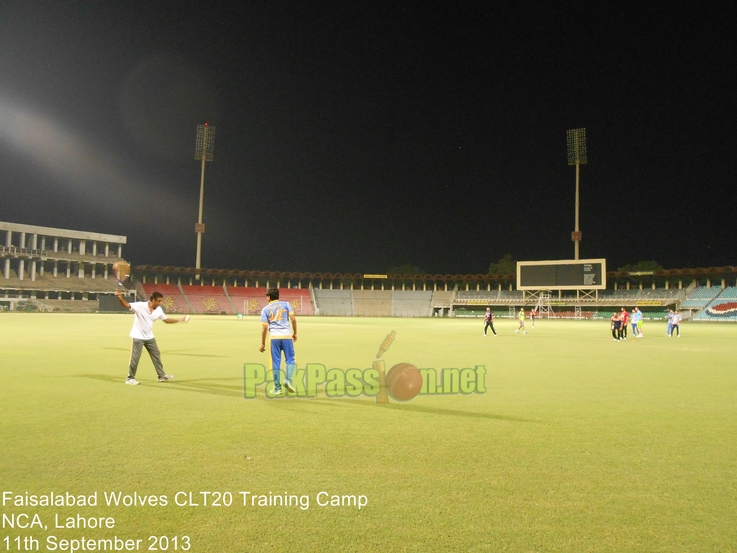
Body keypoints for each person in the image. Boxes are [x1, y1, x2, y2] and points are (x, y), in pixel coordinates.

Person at [115, 289, 188, 385]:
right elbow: (127, 305)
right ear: (152, 300)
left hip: (149, 337)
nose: (160, 303)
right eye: (159, 301)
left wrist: (179, 320)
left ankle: (161, 376)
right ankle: (130, 378)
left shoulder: (159, 310)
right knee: (135, 358)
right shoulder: (140, 306)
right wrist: (120, 297)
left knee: (156, 355)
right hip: (138, 336)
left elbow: (166, 320)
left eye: (161, 301)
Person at [260, 288, 298, 396]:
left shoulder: (265, 309)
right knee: (290, 359)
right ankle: (288, 380)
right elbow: (293, 319)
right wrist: (295, 333)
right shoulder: (286, 304)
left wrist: (262, 343)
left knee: (275, 363)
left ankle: (277, 388)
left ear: (269, 297)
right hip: (287, 336)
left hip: (274, 338)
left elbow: (264, 328)